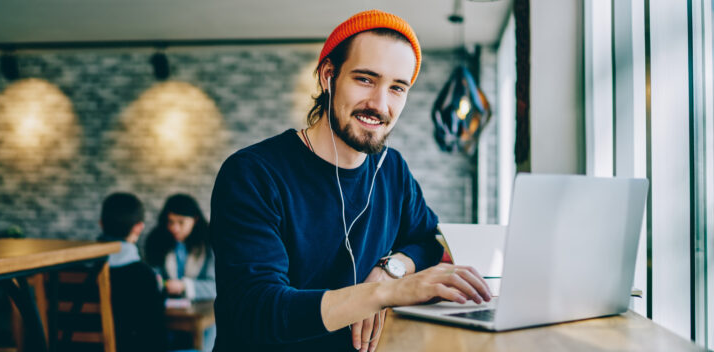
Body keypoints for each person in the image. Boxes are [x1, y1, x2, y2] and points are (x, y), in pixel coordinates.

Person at [209, 9, 492, 352]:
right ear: (329, 76)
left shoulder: (392, 169)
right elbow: (258, 310)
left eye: (397, 88)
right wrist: (382, 294)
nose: (380, 104)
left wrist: (391, 270)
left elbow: (428, 240)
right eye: (365, 79)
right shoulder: (253, 173)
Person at [97, 192, 166, 352]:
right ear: (139, 227)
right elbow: (155, 337)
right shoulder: (144, 276)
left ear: (101, 224)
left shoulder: (74, 270)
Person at [145, 194, 217, 301]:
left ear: (195, 220)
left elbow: (216, 286)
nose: (175, 228)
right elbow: (153, 276)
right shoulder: (156, 241)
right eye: (170, 222)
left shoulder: (209, 245)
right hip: (166, 309)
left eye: (181, 222)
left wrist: (184, 286)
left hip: (202, 310)